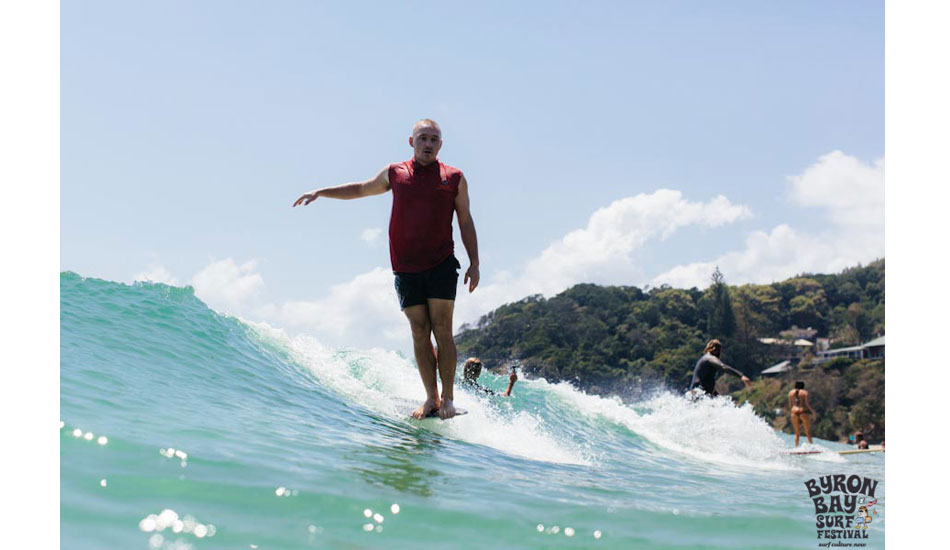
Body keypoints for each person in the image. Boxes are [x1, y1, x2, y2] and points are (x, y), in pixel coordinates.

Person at [293, 119, 479, 419]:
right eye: (423, 138)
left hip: (441, 263)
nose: (428, 144)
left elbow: (465, 220)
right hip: (405, 267)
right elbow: (361, 189)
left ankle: (448, 399)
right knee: (419, 331)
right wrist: (321, 191)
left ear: (440, 145)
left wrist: (475, 262)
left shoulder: (453, 177)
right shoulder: (396, 173)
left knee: (442, 329)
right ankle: (431, 398)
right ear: (412, 142)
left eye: (434, 139)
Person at [688, 339, 752, 396]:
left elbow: (707, 382)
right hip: (698, 392)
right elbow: (723, 367)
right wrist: (741, 376)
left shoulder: (707, 360)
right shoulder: (709, 358)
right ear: (715, 350)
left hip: (700, 393)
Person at [788, 381, 816, 447]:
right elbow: (807, 404)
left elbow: (790, 405)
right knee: (808, 432)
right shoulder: (805, 392)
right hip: (803, 412)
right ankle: (811, 447)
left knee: (797, 433)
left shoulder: (790, 393)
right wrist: (813, 412)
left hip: (794, 412)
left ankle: (796, 447)